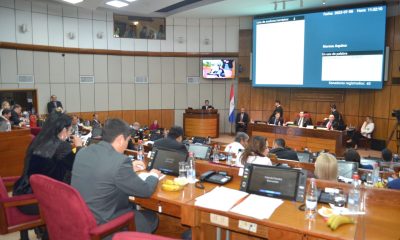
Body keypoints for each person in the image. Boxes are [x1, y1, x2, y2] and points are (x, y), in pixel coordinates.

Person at [71, 119, 161, 233]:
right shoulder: (120, 161)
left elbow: (101, 169)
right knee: (151, 217)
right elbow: (146, 190)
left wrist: (128, 167)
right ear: (119, 140)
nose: (126, 145)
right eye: (127, 141)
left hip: (81, 219)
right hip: (104, 225)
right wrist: (153, 175)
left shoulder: (83, 152)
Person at [13, 113, 83, 215]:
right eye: (70, 130)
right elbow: (76, 165)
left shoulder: (38, 140)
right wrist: (79, 147)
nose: (69, 134)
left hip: (21, 193)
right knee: (79, 197)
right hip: (36, 201)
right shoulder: (62, 146)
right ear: (63, 130)